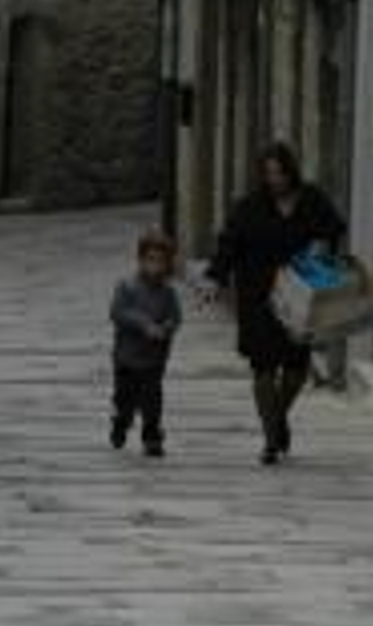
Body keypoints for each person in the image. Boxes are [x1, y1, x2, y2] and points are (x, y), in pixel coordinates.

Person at [209, 142, 344, 464]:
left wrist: (323, 246)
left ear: (290, 171)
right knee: (263, 367)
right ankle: (270, 440)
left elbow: (335, 229)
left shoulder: (312, 199)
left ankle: (277, 417)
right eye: (269, 174)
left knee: (296, 369)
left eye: (280, 173)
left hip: (299, 296)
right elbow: (229, 244)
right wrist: (216, 278)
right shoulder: (249, 207)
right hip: (257, 295)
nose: (275, 180)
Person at [109, 228, 183, 458]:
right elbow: (117, 312)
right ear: (140, 260)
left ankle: (152, 436)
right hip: (126, 358)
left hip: (154, 358)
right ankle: (121, 421)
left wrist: (166, 327)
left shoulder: (168, 292)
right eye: (150, 260)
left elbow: (175, 317)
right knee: (125, 398)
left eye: (161, 261)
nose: (155, 266)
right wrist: (144, 324)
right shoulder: (126, 286)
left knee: (153, 399)